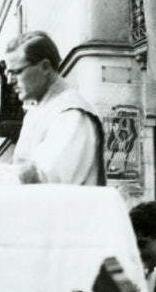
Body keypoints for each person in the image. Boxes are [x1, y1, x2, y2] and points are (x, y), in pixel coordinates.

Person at [6, 31, 105, 185]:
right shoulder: (36, 112)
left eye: (16, 72)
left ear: (45, 67)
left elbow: (41, 176)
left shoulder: (71, 113)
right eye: (8, 73)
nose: (9, 81)